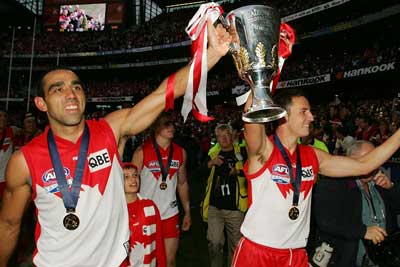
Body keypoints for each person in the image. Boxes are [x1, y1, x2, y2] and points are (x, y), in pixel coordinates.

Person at [0, 20, 230, 267]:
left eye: (76, 87)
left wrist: (213, 53)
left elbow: (163, 93)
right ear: (41, 104)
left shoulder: (110, 130)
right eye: (58, 89)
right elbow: (9, 225)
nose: (71, 94)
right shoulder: (23, 160)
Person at [231, 89, 400, 267]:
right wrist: (257, 81)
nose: (311, 117)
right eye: (304, 112)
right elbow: (251, 119)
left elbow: (366, 165)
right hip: (258, 254)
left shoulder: (314, 156)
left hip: (296, 256)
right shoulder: (264, 150)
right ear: (283, 116)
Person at [312, 140, 400, 267]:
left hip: (384, 258)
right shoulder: (334, 184)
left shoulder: (379, 183)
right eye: (366, 160)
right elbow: (325, 221)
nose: (371, 165)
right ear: (349, 160)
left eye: (374, 159)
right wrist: (363, 231)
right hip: (349, 259)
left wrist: (391, 187)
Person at [132, 112, 191, 267]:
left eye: (172, 124)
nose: (171, 128)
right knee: (146, 261)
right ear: (156, 128)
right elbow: (130, 185)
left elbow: (182, 183)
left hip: (170, 213)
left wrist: (187, 211)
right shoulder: (141, 152)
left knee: (169, 261)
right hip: (146, 214)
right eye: (166, 124)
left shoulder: (180, 152)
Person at [199, 124, 247, 267]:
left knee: (236, 246)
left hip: (235, 208)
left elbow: (253, 172)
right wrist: (211, 163)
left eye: (227, 135)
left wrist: (237, 172)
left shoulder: (242, 152)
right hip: (215, 208)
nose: (224, 138)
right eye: (220, 136)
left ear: (232, 136)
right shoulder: (213, 153)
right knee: (214, 243)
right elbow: (196, 174)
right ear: (217, 138)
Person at [123, 163, 166, 267]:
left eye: (135, 175)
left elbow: (159, 241)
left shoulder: (150, 206)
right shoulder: (114, 210)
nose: (133, 180)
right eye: (126, 177)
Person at [0, 110, 18, 201]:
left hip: (5, 179)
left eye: (5, 116)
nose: (3, 118)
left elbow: (29, 131)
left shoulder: (12, 130)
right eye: (0, 116)